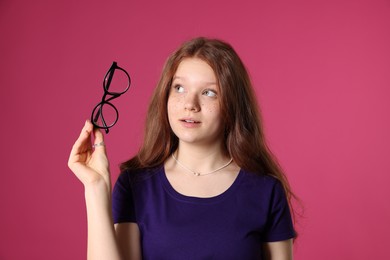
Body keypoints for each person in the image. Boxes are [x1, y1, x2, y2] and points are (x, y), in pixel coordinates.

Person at [68, 37, 297, 260]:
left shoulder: (265, 191)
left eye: (209, 92)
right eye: (179, 88)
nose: (190, 104)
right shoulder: (136, 185)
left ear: (233, 104)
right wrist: (95, 188)